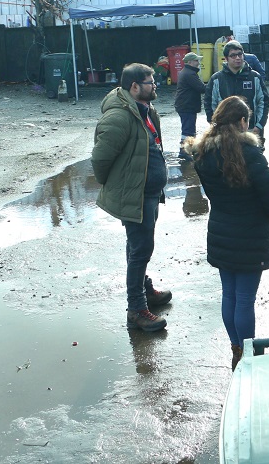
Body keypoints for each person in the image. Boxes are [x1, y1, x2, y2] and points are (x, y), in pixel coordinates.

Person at [187, 96, 269, 371]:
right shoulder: (250, 154)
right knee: (245, 299)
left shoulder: (202, 153)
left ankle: (236, 347)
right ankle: (249, 353)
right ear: (242, 122)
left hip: (220, 231)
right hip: (250, 234)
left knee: (229, 295)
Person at [92, 63, 171, 333]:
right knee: (141, 250)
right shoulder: (120, 117)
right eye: (150, 81)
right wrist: (119, 186)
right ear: (134, 86)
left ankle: (144, 289)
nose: (155, 84)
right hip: (134, 195)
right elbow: (100, 159)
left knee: (137, 246)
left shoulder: (145, 110)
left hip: (147, 193)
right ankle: (136, 309)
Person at [205, 41, 269, 141]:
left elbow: (263, 102)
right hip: (225, 133)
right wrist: (215, 126)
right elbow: (210, 105)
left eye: (240, 54)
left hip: (252, 130)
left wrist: (259, 126)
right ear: (226, 58)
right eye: (233, 55)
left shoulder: (255, 77)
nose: (238, 58)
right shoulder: (216, 79)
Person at [174, 52, 206, 159]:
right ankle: (184, 151)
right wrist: (213, 84)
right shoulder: (190, 74)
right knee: (188, 130)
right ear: (190, 62)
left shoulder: (186, 72)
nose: (198, 62)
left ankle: (187, 149)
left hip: (184, 105)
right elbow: (201, 88)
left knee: (188, 129)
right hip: (187, 105)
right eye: (196, 60)